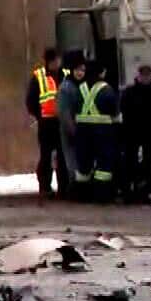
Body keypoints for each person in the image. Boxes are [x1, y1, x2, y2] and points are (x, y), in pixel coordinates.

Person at [120, 63, 151, 200]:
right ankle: (136, 189)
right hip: (139, 131)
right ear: (139, 76)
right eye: (144, 76)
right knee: (136, 160)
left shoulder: (131, 92)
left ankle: (140, 188)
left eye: (147, 75)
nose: (145, 78)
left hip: (142, 131)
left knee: (145, 160)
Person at [75, 61, 121, 200]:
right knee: (103, 163)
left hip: (82, 131)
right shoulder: (107, 89)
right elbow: (114, 112)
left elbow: (75, 107)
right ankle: (102, 194)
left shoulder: (80, 87)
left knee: (84, 163)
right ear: (101, 72)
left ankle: (82, 193)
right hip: (102, 132)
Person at [24, 48, 64, 198]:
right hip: (46, 122)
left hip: (61, 122)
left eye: (58, 60)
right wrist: (39, 116)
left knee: (62, 156)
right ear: (48, 61)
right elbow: (31, 100)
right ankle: (45, 186)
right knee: (46, 156)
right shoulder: (39, 76)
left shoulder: (65, 75)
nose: (57, 63)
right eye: (54, 60)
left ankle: (63, 186)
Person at [56, 53, 87, 197]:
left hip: (82, 127)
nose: (80, 73)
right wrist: (72, 129)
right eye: (77, 70)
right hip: (71, 128)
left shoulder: (83, 86)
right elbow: (64, 112)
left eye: (82, 70)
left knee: (79, 158)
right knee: (71, 159)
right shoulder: (66, 87)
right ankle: (73, 186)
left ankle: (78, 186)